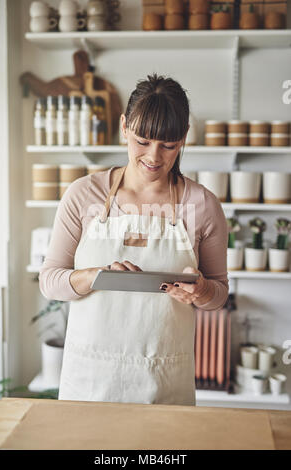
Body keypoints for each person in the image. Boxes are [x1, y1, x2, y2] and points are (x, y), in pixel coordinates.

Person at [39, 73, 229, 406]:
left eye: (168, 145)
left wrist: (202, 290)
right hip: (89, 381)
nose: (154, 157)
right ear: (125, 127)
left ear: (183, 138)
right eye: (142, 140)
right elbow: (50, 281)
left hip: (163, 382)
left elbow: (219, 293)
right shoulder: (84, 195)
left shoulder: (201, 205)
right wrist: (97, 276)